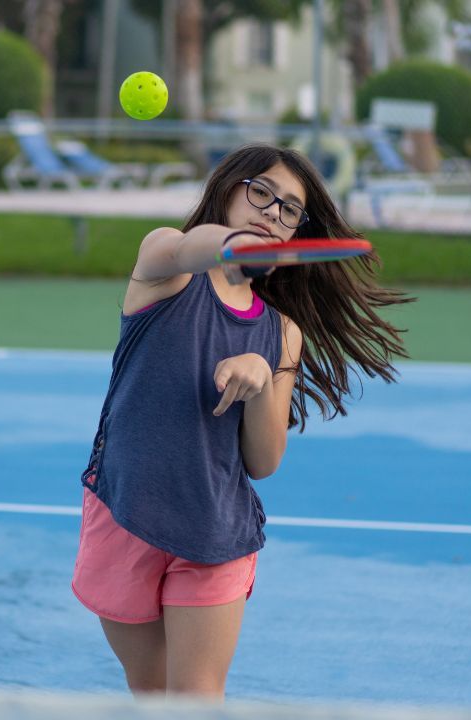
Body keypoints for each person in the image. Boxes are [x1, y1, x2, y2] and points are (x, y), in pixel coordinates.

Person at [71, 143, 411, 700]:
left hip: (215, 531)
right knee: (150, 692)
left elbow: (264, 460)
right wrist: (233, 247)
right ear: (227, 190)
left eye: (288, 210)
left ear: (297, 232)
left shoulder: (282, 334)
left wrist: (259, 378)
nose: (271, 213)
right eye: (260, 193)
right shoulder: (167, 266)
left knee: (197, 700)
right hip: (125, 511)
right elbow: (193, 247)